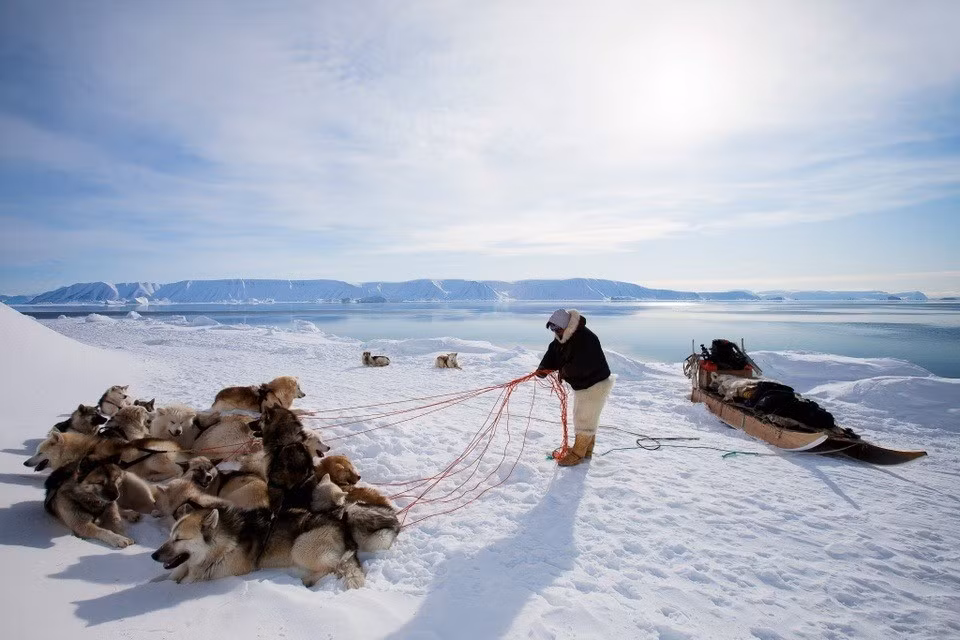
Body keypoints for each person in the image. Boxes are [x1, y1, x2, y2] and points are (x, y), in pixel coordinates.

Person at [537, 308, 614, 466]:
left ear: (566, 325)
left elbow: (580, 366)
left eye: (556, 328)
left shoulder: (586, 339)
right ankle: (587, 450)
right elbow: (553, 353)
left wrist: (562, 372)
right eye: (552, 328)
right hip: (583, 385)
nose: (554, 331)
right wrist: (543, 368)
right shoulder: (562, 337)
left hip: (595, 384)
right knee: (584, 415)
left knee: (584, 418)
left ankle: (578, 454)